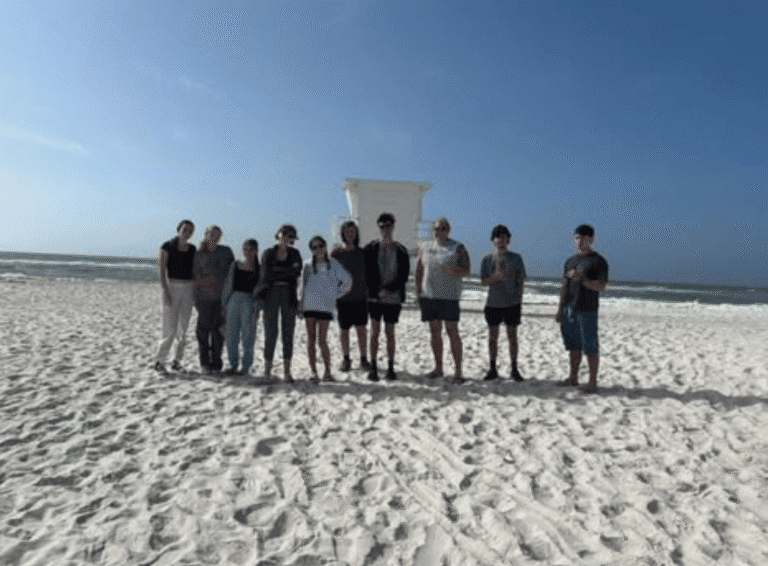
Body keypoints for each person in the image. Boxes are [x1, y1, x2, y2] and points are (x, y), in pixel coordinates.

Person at [415, 217, 470, 384]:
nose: (439, 232)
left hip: (449, 297)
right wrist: (418, 290)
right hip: (429, 296)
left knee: (452, 332)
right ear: (433, 231)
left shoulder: (457, 247)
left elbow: (467, 270)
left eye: (443, 228)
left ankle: (458, 372)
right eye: (437, 229)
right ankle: (438, 368)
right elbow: (418, 269)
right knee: (435, 332)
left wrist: (452, 270)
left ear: (448, 230)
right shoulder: (425, 247)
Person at [555, 224, 609, 394]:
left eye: (584, 238)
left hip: (588, 310)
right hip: (570, 308)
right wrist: (560, 308)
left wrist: (582, 280)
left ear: (591, 240)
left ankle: (592, 382)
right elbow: (566, 285)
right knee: (573, 346)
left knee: (591, 347)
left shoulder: (598, 261)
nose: (580, 242)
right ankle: (573, 377)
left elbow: (601, 287)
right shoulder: (571, 261)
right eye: (577, 238)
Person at [363, 213, 411, 382]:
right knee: (374, 332)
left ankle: (390, 368)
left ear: (393, 226)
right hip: (375, 299)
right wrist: (376, 291)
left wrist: (388, 289)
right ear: (379, 227)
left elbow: (403, 275)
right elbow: (365, 272)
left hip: (393, 298)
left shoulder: (401, 250)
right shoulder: (370, 248)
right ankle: (374, 367)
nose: (385, 229)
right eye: (382, 226)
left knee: (390, 332)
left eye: (388, 225)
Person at [300, 236, 353, 383]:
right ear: (311, 250)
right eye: (314, 247)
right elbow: (302, 286)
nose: (318, 249)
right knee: (311, 340)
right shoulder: (307, 265)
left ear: (325, 246)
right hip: (309, 306)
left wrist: (335, 294)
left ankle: (327, 372)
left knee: (322, 340)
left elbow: (347, 281)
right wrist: (300, 304)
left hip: (325, 307)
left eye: (321, 246)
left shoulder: (334, 264)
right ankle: (313, 372)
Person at [256, 225, 302, 383]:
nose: (287, 237)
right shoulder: (268, 253)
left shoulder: (295, 253)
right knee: (270, 332)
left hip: (289, 295)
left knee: (288, 332)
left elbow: (296, 273)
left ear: (293, 239)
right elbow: (266, 274)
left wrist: (279, 272)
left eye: (291, 236)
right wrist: (286, 272)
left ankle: (287, 372)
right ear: (278, 234)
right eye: (284, 234)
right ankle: (267, 371)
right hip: (270, 294)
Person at [480, 225, 526, 382]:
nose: (501, 241)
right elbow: (484, 282)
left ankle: (514, 369)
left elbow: (521, 281)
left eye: (504, 238)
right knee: (493, 337)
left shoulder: (516, 258)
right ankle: (492, 369)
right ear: (493, 240)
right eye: (498, 238)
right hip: (493, 303)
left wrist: (519, 300)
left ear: (508, 240)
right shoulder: (487, 259)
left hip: (512, 303)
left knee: (512, 337)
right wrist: (496, 278)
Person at [154, 220, 196, 372]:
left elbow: (196, 270)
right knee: (169, 328)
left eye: (190, 230)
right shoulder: (167, 246)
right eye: (185, 228)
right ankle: (159, 360)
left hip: (189, 288)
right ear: (178, 229)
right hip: (172, 287)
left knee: (183, 329)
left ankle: (177, 361)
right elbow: (161, 270)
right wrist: (165, 291)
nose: (187, 232)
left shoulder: (192, 248)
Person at [193, 225, 234, 374]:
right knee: (203, 333)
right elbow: (195, 279)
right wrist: (195, 299)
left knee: (218, 333)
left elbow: (232, 276)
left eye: (217, 235)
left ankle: (216, 364)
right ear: (205, 235)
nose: (214, 237)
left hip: (222, 300)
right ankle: (204, 364)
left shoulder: (226, 252)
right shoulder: (198, 255)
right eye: (211, 234)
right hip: (204, 299)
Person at [331, 221, 371, 372]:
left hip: (361, 297)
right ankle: (346, 359)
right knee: (344, 330)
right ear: (343, 233)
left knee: (362, 329)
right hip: (342, 299)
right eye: (347, 231)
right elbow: (331, 276)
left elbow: (369, 275)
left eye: (353, 231)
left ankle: (364, 359)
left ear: (356, 233)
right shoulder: (336, 253)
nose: (350, 234)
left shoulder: (363, 253)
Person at [222, 239, 260, 376]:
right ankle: (233, 365)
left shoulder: (259, 268)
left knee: (248, 336)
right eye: (245, 249)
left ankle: (245, 367)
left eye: (250, 249)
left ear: (256, 250)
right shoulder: (236, 264)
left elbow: (259, 291)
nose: (247, 252)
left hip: (250, 302)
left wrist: (257, 309)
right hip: (233, 300)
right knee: (231, 335)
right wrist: (224, 304)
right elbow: (228, 285)